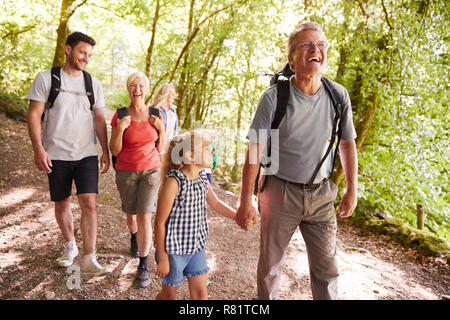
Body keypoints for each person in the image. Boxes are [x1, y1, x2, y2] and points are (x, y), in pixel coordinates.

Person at [235, 22, 358, 300]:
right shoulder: (273, 98)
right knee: (270, 268)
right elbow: (254, 152)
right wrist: (246, 200)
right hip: (280, 193)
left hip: (322, 195)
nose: (316, 50)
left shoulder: (338, 96)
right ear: (292, 57)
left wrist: (352, 188)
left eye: (321, 45)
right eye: (307, 44)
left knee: (327, 271)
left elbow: (347, 143)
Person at [27, 32, 110, 276]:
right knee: (62, 202)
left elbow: (99, 119)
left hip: (86, 154)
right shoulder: (46, 79)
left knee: (89, 203)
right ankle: (70, 245)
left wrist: (105, 150)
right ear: (68, 49)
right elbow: (34, 115)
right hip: (56, 154)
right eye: (82, 52)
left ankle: (89, 258)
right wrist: (38, 148)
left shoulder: (92, 84)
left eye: (90, 55)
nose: (86, 58)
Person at [154, 130, 236, 300]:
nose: (212, 151)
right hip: (173, 251)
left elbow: (215, 204)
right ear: (191, 156)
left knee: (200, 295)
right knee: (169, 296)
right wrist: (162, 257)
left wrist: (238, 216)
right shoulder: (174, 182)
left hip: (196, 248)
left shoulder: (202, 179)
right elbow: (160, 222)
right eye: (207, 149)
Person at [109, 71, 165, 288]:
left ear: (147, 89)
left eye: (141, 85)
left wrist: (161, 129)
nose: (137, 89)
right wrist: (121, 128)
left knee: (144, 216)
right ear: (128, 88)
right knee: (131, 216)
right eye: (133, 85)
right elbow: (114, 149)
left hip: (151, 171)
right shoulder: (120, 115)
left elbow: (162, 147)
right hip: (126, 171)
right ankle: (134, 237)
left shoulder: (156, 114)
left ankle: (143, 264)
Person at [152, 83, 178, 152]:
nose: (174, 96)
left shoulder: (173, 110)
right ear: (166, 94)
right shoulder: (155, 110)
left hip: (171, 146)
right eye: (172, 93)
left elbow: (175, 129)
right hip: (159, 147)